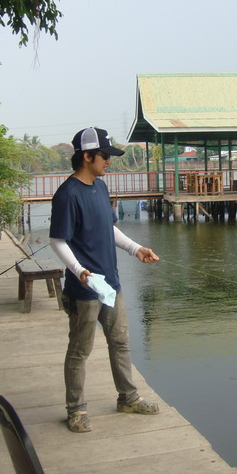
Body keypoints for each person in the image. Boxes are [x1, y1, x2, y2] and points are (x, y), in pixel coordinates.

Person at [49, 127, 161, 433]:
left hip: (111, 283)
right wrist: (79, 271)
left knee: (120, 341)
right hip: (85, 289)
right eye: (104, 156)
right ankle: (76, 409)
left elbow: (109, 229)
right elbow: (58, 241)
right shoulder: (67, 195)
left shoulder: (100, 187)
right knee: (80, 350)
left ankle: (128, 397)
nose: (108, 161)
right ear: (87, 157)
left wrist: (135, 248)